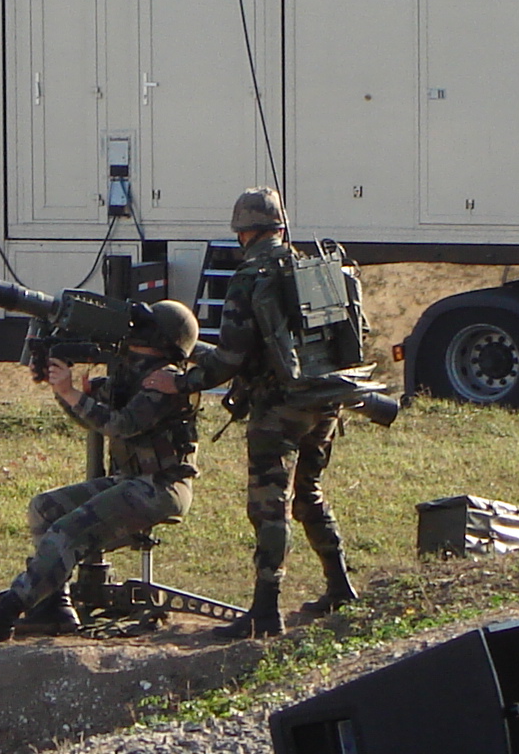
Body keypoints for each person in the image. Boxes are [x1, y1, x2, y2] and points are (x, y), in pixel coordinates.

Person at [143, 187, 358, 639]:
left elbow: (230, 359)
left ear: (244, 232)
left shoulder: (249, 278)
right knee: (309, 493)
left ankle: (265, 610)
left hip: (279, 408)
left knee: (269, 506)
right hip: (325, 398)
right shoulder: (311, 267)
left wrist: (180, 382)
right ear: (279, 227)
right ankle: (340, 587)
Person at [0, 300, 201, 643]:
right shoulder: (131, 373)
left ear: (159, 337)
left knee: (67, 532)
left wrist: (70, 392)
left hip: (160, 488)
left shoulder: (165, 380)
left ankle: (5, 614)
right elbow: (90, 415)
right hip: (132, 481)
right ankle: (53, 608)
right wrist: (62, 390)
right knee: (45, 508)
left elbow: (120, 425)